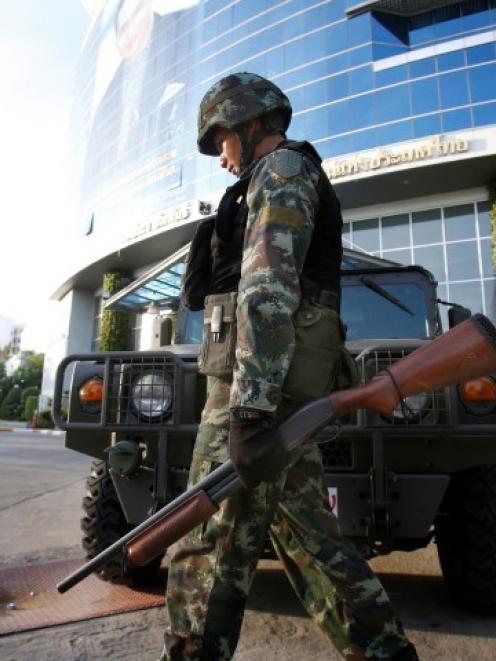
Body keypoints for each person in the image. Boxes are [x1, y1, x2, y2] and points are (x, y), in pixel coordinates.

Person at [159, 72, 418, 661]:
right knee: (307, 538)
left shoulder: (280, 172)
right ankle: (384, 651)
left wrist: (248, 410)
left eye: (221, 140)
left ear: (251, 123)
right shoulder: (276, 178)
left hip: (256, 389)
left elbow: (267, 291)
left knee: (209, 541)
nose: (222, 158)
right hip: (275, 388)